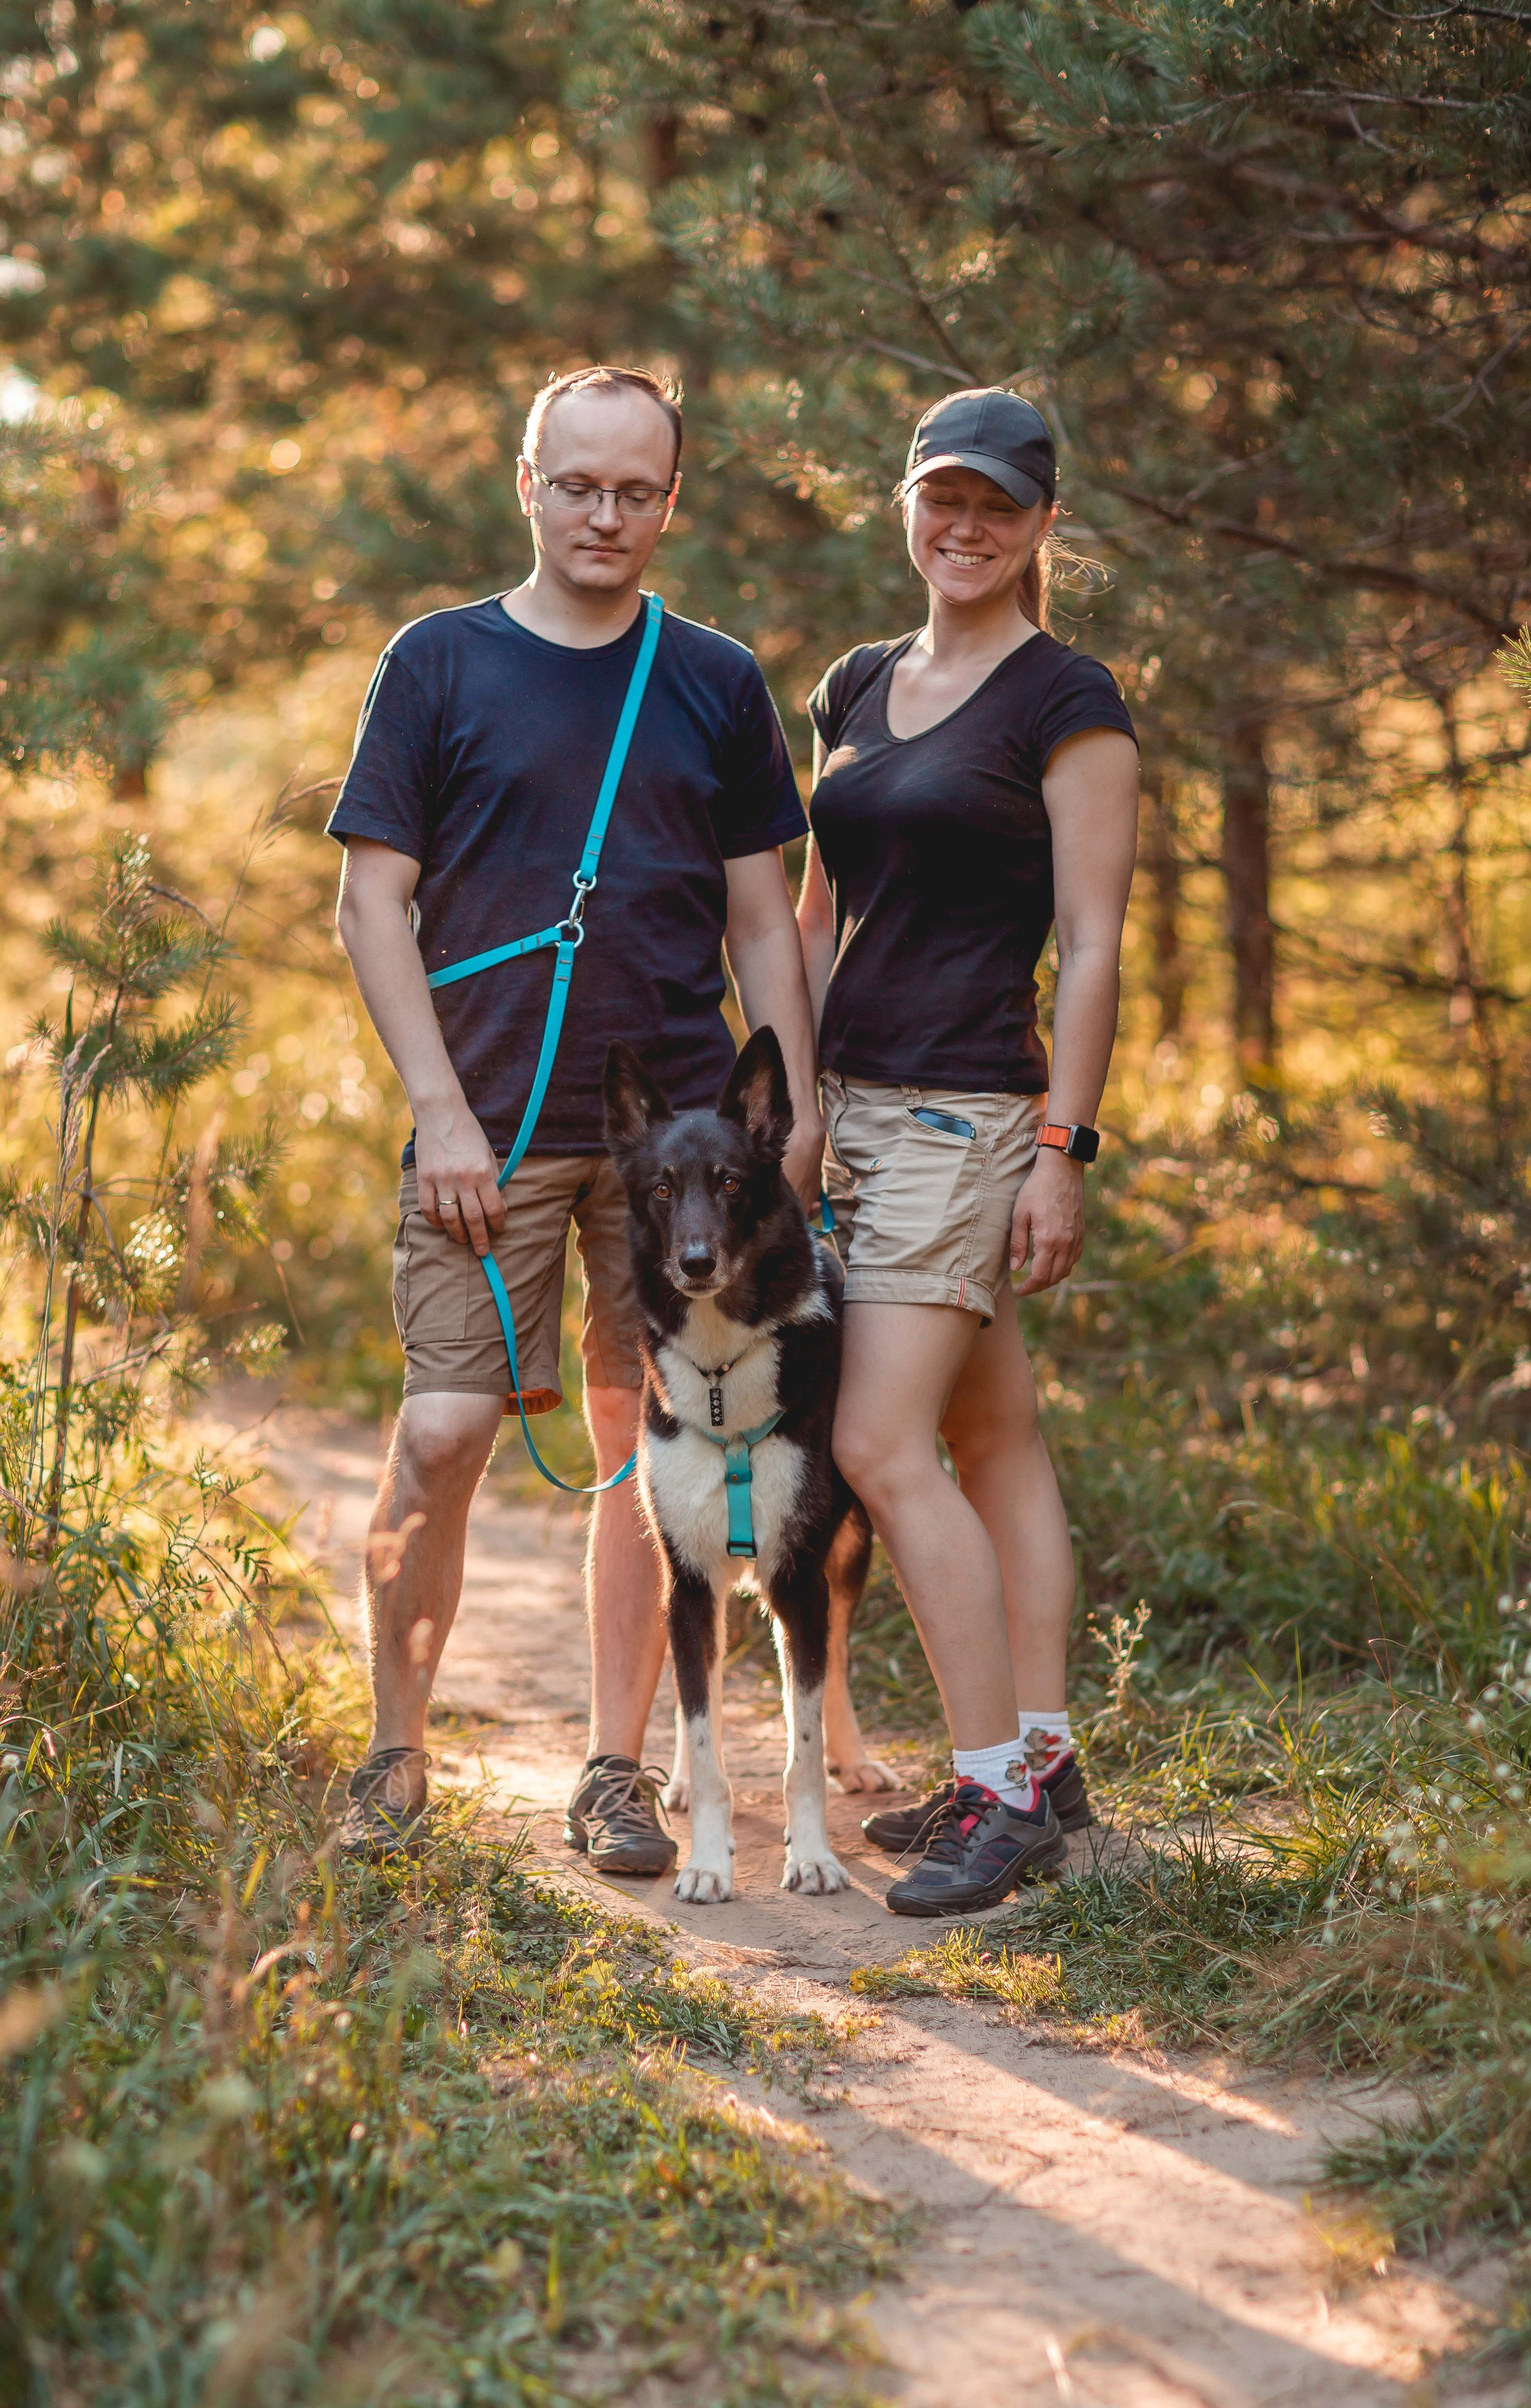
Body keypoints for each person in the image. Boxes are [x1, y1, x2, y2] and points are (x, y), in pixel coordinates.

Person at [328, 364, 820, 1871]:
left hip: (675, 1154)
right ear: (526, 484)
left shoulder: (713, 680)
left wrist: (786, 1117)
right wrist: (441, 1114)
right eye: (577, 484)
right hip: (484, 1128)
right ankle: (393, 1758)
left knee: (641, 1456)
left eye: (634, 491)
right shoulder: (437, 663)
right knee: (445, 1429)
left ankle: (616, 1771)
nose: (603, 514)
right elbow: (370, 901)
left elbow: (759, 917)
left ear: (670, 501)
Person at [796, 388, 1140, 1917]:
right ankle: (1045, 1761)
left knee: (880, 1448)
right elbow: (815, 917)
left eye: (996, 505)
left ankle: (992, 1796)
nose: (964, 526)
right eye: (942, 496)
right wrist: (787, 1106)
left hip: (963, 1112)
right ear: (907, 503)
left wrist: (1060, 1142)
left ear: (1041, 524)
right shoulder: (861, 684)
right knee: (993, 1434)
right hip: (852, 1105)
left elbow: (1091, 940)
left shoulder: (1066, 699)